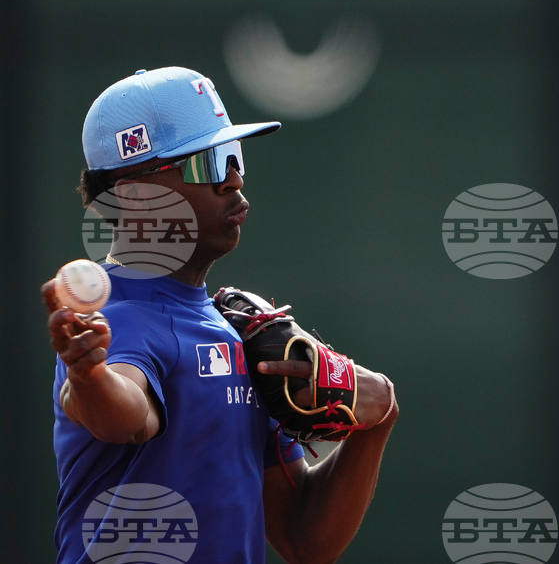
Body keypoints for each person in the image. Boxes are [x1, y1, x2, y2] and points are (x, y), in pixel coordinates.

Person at [43, 67, 398, 564]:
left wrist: (376, 420)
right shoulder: (117, 320)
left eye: (233, 156)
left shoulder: (239, 332)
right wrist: (87, 377)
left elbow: (305, 540)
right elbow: (125, 419)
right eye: (206, 162)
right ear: (137, 194)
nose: (233, 178)